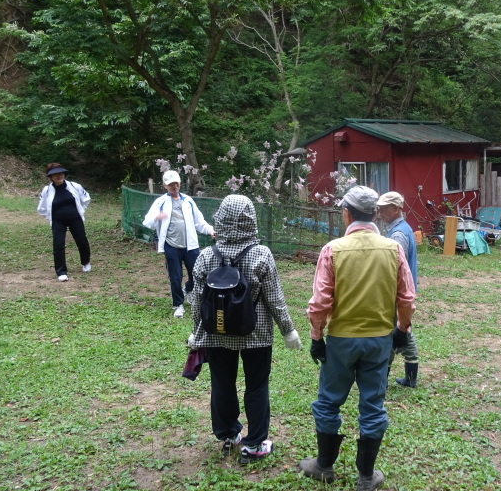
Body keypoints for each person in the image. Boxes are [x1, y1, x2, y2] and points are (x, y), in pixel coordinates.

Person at [299, 185, 416, 491]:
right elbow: (407, 298)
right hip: (379, 340)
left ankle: (323, 466)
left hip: (340, 340)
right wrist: (402, 331)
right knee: (373, 404)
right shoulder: (393, 248)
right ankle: (366, 476)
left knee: (328, 401)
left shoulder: (333, 249)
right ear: (375, 213)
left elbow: (320, 303)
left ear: (347, 213)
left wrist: (316, 336)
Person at [187, 194, 302, 464]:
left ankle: (228, 434)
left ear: (221, 219)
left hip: (216, 333)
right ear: (251, 220)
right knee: (257, 386)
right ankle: (255, 444)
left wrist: (196, 332)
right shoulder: (261, 254)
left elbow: (196, 301)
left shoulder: (205, 256)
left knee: (222, 384)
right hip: (257, 334)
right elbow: (275, 299)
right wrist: (288, 330)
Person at [143, 170, 214, 318]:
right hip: (171, 245)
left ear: (180, 183)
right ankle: (178, 304)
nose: (174, 186)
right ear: (165, 186)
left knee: (197, 273)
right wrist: (157, 216)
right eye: (170, 185)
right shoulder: (160, 202)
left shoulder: (188, 200)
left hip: (190, 245)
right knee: (175, 276)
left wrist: (210, 230)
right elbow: (147, 222)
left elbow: (199, 221)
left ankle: (188, 290)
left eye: (176, 183)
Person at [376, 191, 420, 388]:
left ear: (395, 209)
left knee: (395, 333)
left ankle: (383, 381)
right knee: (401, 331)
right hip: (402, 293)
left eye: (383, 209)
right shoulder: (402, 229)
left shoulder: (398, 234)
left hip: (396, 293)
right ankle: (409, 379)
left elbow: (394, 268)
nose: (379, 212)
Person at [37, 162, 91, 282]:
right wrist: (50, 217)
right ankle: (61, 272)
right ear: (50, 177)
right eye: (55, 174)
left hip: (75, 218)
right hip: (58, 221)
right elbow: (42, 207)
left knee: (82, 241)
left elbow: (86, 199)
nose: (59, 176)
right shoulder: (46, 190)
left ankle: (86, 262)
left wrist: (80, 211)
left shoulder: (75, 186)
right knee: (58, 245)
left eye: (60, 173)